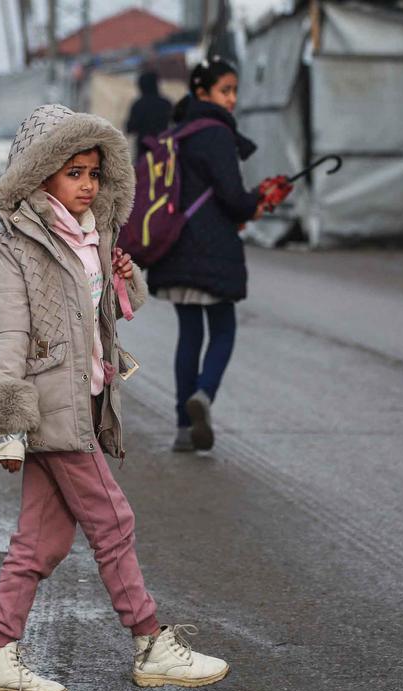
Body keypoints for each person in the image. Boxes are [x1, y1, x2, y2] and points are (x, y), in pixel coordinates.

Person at [0, 104, 230, 691]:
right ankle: (150, 643)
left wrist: (121, 275)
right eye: (73, 173)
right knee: (114, 522)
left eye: (93, 172)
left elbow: (103, 314)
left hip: (84, 401)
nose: (87, 185)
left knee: (41, 543)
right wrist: (7, 426)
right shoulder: (14, 250)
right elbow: (6, 335)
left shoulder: (92, 236)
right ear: (40, 176)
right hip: (49, 411)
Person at [146, 57, 274, 453]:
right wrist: (261, 199)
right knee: (223, 329)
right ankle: (204, 394)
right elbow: (234, 200)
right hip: (210, 251)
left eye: (235, 90)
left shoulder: (177, 133)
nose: (232, 99)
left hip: (172, 249)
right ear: (203, 93)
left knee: (189, 335)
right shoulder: (216, 134)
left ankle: (184, 430)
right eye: (225, 90)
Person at [125, 70, 173, 157]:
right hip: (163, 149)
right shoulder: (166, 103)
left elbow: (130, 128)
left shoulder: (138, 105)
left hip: (144, 152)